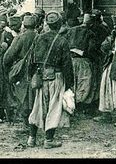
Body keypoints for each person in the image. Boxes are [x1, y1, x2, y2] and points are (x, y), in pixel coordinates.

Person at [27, 11, 74, 149]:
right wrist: (70, 84)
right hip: (56, 77)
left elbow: (31, 60)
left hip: (41, 76)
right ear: (59, 24)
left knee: (37, 107)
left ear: (47, 23)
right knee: (54, 107)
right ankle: (48, 140)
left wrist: (31, 76)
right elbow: (67, 65)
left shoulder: (38, 38)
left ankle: (31, 138)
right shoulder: (62, 41)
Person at [3, 15, 38, 133]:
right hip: (36, 69)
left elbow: (8, 57)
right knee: (35, 95)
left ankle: (25, 123)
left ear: (24, 25)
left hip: (22, 70)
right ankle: (35, 121)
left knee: (22, 94)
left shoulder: (20, 38)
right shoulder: (40, 37)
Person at [93, 13, 116, 123]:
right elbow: (104, 47)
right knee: (105, 88)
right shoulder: (114, 36)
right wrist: (111, 38)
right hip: (111, 65)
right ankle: (106, 114)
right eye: (115, 26)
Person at [64, 14, 96, 110]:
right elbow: (91, 50)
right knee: (84, 83)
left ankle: (72, 105)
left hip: (71, 60)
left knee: (73, 82)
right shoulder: (90, 33)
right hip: (83, 61)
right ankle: (81, 105)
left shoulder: (71, 30)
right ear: (91, 24)